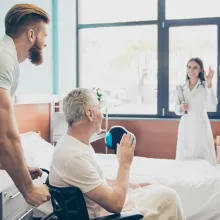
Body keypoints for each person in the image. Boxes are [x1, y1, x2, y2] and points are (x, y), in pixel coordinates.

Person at [49, 88, 185, 220]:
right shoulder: (74, 157)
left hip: (104, 207)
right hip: (107, 214)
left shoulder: (71, 144)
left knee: (158, 191)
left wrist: (130, 185)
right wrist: (124, 164)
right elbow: (116, 205)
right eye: (99, 109)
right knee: (168, 197)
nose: (101, 115)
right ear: (90, 114)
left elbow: (93, 181)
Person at [0, 4, 51, 206]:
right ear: (31, 35)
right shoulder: (4, 58)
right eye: (44, 36)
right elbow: (5, 135)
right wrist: (28, 188)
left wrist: (21, 166)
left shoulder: (7, 58)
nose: (45, 43)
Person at [174, 57, 218, 166]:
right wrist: (181, 108)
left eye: (195, 68)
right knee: (185, 155)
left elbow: (212, 104)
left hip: (201, 124)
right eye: (189, 67)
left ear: (200, 70)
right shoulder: (181, 88)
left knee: (203, 154)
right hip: (186, 124)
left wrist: (209, 83)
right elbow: (176, 109)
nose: (191, 70)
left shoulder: (204, 86)